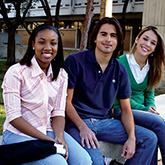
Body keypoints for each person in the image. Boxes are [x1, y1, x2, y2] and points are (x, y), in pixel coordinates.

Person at [64, 17, 157, 165]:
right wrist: (83, 128)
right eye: (103, 34)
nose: (108, 39)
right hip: (77, 123)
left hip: (105, 123)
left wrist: (131, 137)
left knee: (149, 138)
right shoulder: (75, 61)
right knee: (96, 162)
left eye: (113, 36)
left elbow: (126, 109)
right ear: (95, 38)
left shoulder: (120, 70)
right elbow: (65, 102)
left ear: (118, 42)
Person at [1, 24, 92, 165]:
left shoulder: (61, 75)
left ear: (58, 46)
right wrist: (48, 141)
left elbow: (58, 112)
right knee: (57, 163)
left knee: (83, 161)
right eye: (42, 42)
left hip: (47, 131)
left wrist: (59, 137)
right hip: (19, 134)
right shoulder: (16, 72)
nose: (48, 47)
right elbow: (14, 117)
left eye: (53, 43)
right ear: (33, 44)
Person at [114, 26, 165, 165]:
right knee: (160, 123)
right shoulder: (120, 64)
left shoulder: (152, 66)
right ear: (137, 40)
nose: (147, 44)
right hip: (122, 110)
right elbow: (118, 97)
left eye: (153, 43)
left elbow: (149, 94)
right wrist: (144, 110)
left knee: (152, 136)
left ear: (155, 48)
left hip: (142, 112)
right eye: (145, 39)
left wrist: (151, 108)